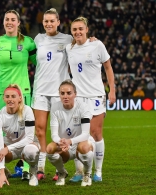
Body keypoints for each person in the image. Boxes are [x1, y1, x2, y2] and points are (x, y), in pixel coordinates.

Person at [0, 9, 37, 181]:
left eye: (13, 19)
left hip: (22, 92)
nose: (9, 22)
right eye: (6, 19)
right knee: (0, 130)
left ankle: (23, 167)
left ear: (18, 23)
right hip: (1, 92)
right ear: (3, 22)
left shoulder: (28, 42)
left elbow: (40, 63)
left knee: (24, 130)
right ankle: (1, 168)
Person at [66, 16, 116, 182]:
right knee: (76, 134)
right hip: (77, 98)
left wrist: (112, 91)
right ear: (71, 32)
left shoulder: (97, 45)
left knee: (95, 133)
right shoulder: (69, 48)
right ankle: (79, 171)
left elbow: (108, 68)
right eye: (74, 29)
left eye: (81, 29)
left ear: (87, 30)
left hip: (95, 96)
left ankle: (98, 171)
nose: (78, 32)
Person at [32, 8, 73, 181]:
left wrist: (91, 40)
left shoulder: (67, 39)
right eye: (46, 21)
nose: (49, 24)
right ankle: (40, 167)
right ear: (43, 23)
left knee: (60, 131)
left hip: (59, 93)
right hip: (40, 90)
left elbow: (82, 45)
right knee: (40, 130)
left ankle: (59, 168)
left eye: (52, 21)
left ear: (58, 22)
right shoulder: (38, 39)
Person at [0, 84, 40, 188]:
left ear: (20, 98)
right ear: (3, 98)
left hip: (26, 145)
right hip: (10, 148)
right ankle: (5, 172)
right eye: (7, 96)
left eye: (13, 96)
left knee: (31, 151)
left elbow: (29, 138)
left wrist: (8, 148)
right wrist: (1, 172)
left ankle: (33, 173)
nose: (10, 99)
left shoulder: (27, 111)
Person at [47, 79, 94, 187]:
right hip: (65, 146)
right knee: (49, 149)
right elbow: (54, 134)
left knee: (85, 148)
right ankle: (62, 172)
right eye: (62, 93)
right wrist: (61, 142)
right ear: (59, 95)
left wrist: (70, 142)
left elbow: (86, 134)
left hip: (80, 143)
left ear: (75, 94)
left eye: (69, 93)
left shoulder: (83, 107)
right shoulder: (55, 107)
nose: (65, 96)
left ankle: (87, 174)